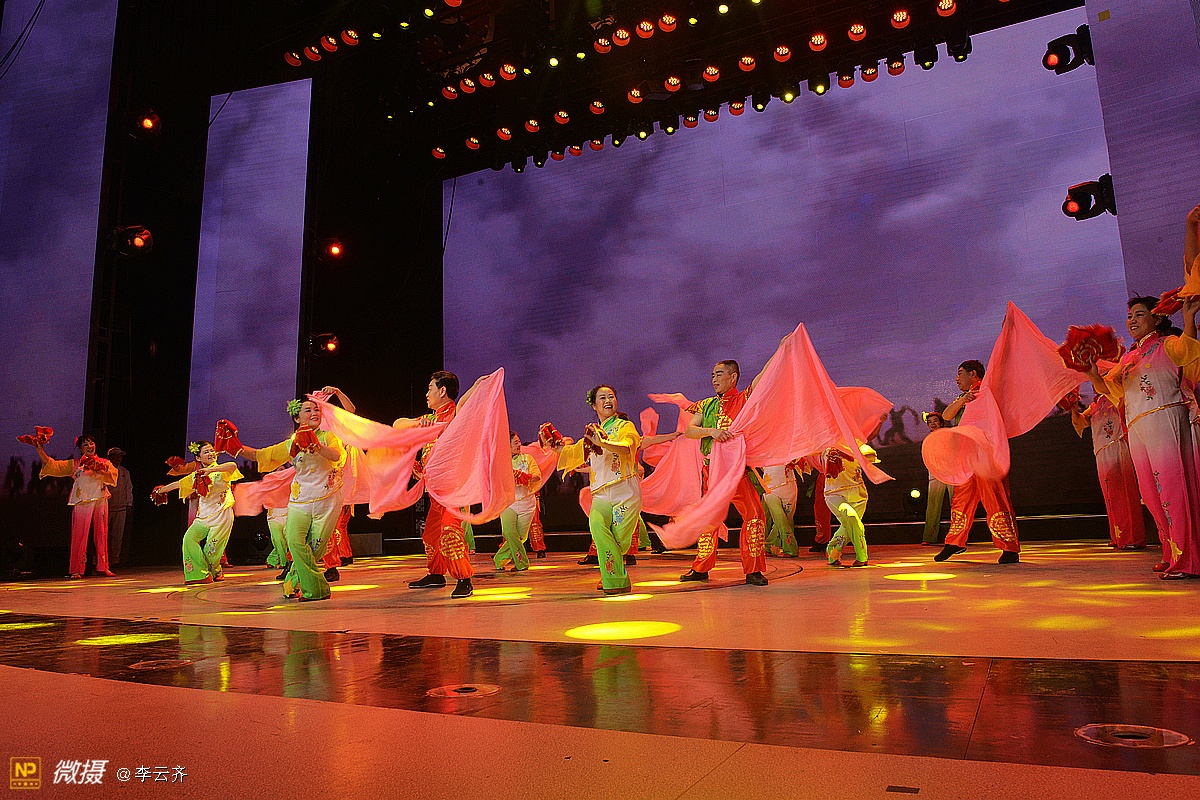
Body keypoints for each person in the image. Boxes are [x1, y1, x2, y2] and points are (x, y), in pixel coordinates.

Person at [1085, 296, 1200, 578]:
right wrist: (1091, 373)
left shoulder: (1167, 344)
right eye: (1129, 316)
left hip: (1165, 418)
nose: (1132, 320)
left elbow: (1188, 351)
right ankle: (1171, 552)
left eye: (1139, 314)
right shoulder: (1128, 359)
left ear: (1157, 318)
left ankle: (1188, 559)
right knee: (1150, 494)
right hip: (1137, 426)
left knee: (1173, 490)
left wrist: (1188, 319)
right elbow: (1109, 388)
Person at [233, 398, 347, 601]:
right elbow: (260, 455)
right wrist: (235, 447)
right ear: (296, 418)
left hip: (327, 500)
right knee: (294, 542)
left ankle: (297, 583)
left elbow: (337, 455)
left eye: (316, 409)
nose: (314, 413)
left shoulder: (328, 436)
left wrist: (317, 446)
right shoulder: (291, 443)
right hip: (299, 500)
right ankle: (317, 589)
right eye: (307, 410)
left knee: (315, 547)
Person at [544, 385, 642, 594]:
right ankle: (615, 581)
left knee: (618, 540)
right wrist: (554, 445)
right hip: (600, 493)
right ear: (594, 405)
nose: (608, 401)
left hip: (624, 490)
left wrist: (604, 443)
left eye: (611, 396)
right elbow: (572, 452)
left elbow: (627, 447)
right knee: (597, 527)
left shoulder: (625, 426)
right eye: (602, 398)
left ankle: (612, 573)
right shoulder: (592, 434)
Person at [680, 360, 769, 586]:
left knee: (755, 513)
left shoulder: (743, 400)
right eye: (712, 375)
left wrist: (781, 349)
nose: (714, 379)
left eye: (719, 374)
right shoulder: (706, 405)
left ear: (733, 377)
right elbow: (690, 431)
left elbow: (763, 377)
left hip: (736, 469)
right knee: (709, 518)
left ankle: (754, 570)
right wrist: (712, 431)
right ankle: (701, 567)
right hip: (713, 471)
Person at [934, 360, 1021, 564]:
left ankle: (1009, 547)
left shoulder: (988, 391)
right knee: (961, 498)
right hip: (967, 455)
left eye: (960, 373)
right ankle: (954, 542)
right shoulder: (965, 397)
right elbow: (946, 415)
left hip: (987, 454)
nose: (957, 378)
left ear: (973, 374)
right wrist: (963, 400)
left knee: (995, 498)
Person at [399, 371, 475, 599]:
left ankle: (464, 579)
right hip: (435, 492)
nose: (426, 394)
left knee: (450, 531)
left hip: (454, 490)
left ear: (442, 391)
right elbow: (397, 424)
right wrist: (417, 422)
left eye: (430, 388)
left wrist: (478, 384)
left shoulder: (455, 415)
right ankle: (436, 574)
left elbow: (465, 402)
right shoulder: (430, 420)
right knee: (431, 535)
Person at [27, 434, 117, 579]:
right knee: (79, 535)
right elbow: (53, 465)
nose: (89, 446)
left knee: (102, 534)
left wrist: (100, 468)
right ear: (80, 448)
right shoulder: (75, 464)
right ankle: (76, 569)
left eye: (91, 443)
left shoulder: (104, 462)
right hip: (82, 502)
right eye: (85, 444)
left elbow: (112, 475)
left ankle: (103, 567)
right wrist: (40, 450)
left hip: (100, 499)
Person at [152, 441, 242, 584]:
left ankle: (214, 571)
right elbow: (179, 484)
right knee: (189, 539)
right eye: (206, 452)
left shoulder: (221, 470)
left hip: (222, 515)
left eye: (212, 450)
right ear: (198, 458)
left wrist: (210, 471)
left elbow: (233, 465)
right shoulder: (197, 475)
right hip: (203, 516)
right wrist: (160, 491)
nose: (211, 453)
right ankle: (200, 575)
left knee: (211, 550)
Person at [1071, 394, 1146, 550]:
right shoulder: (1095, 405)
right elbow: (1080, 422)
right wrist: (1073, 407)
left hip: (1116, 446)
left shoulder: (1115, 395)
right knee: (1111, 495)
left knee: (1123, 493)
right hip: (1101, 452)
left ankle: (1133, 538)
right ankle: (1119, 536)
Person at [815, 443, 877, 567]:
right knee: (851, 517)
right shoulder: (825, 445)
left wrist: (855, 451)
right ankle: (862, 556)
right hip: (834, 493)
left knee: (850, 524)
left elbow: (871, 455)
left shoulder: (856, 445)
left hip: (858, 494)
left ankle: (833, 550)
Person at [495, 432, 542, 572]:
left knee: (521, 536)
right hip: (508, 503)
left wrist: (523, 477)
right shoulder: (500, 462)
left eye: (519, 441)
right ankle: (522, 563)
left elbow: (537, 476)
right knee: (509, 532)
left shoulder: (527, 459)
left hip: (526, 503)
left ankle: (500, 558)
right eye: (515, 442)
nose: (519, 445)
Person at [920, 413, 953, 546]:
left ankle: (958, 536)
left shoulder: (949, 435)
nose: (933, 424)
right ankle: (929, 537)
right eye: (930, 422)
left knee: (956, 505)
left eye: (935, 421)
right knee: (933, 506)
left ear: (941, 422)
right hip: (935, 474)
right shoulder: (928, 439)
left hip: (951, 473)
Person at [760, 462, 799, 557]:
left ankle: (771, 547)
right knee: (780, 517)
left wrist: (794, 461)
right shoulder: (761, 452)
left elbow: (800, 462)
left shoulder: (790, 451)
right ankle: (791, 549)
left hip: (788, 486)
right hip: (770, 488)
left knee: (785, 519)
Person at [106, 447, 133, 566]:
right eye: (116, 456)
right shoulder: (105, 469)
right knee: (104, 535)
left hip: (121, 507)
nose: (118, 458)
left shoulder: (124, 472)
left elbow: (128, 488)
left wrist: (129, 504)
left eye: (120, 456)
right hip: (107, 506)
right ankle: (101, 560)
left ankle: (115, 559)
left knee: (117, 535)